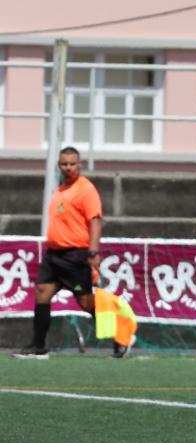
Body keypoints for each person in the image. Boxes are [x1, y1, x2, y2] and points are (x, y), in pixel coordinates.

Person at [14, 146, 126, 359]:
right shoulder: (58, 191)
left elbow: (95, 220)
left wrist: (93, 251)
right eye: (64, 164)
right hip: (53, 255)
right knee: (42, 293)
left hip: (75, 256)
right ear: (59, 166)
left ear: (79, 165)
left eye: (72, 164)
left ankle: (121, 334)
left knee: (86, 303)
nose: (68, 168)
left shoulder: (86, 189)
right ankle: (38, 346)